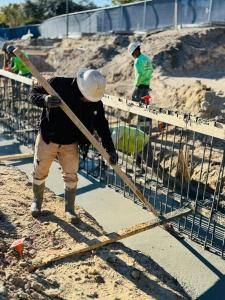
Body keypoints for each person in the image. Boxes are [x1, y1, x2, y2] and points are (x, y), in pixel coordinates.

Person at [29, 68, 118, 224]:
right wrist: (45, 100)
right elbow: (33, 94)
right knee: (40, 171)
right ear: (80, 87)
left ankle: (69, 209)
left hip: (71, 142)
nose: (89, 101)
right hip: (48, 138)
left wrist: (110, 149)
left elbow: (102, 126)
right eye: (87, 98)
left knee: (71, 175)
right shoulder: (57, 84)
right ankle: (37, 201)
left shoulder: (94, 101)